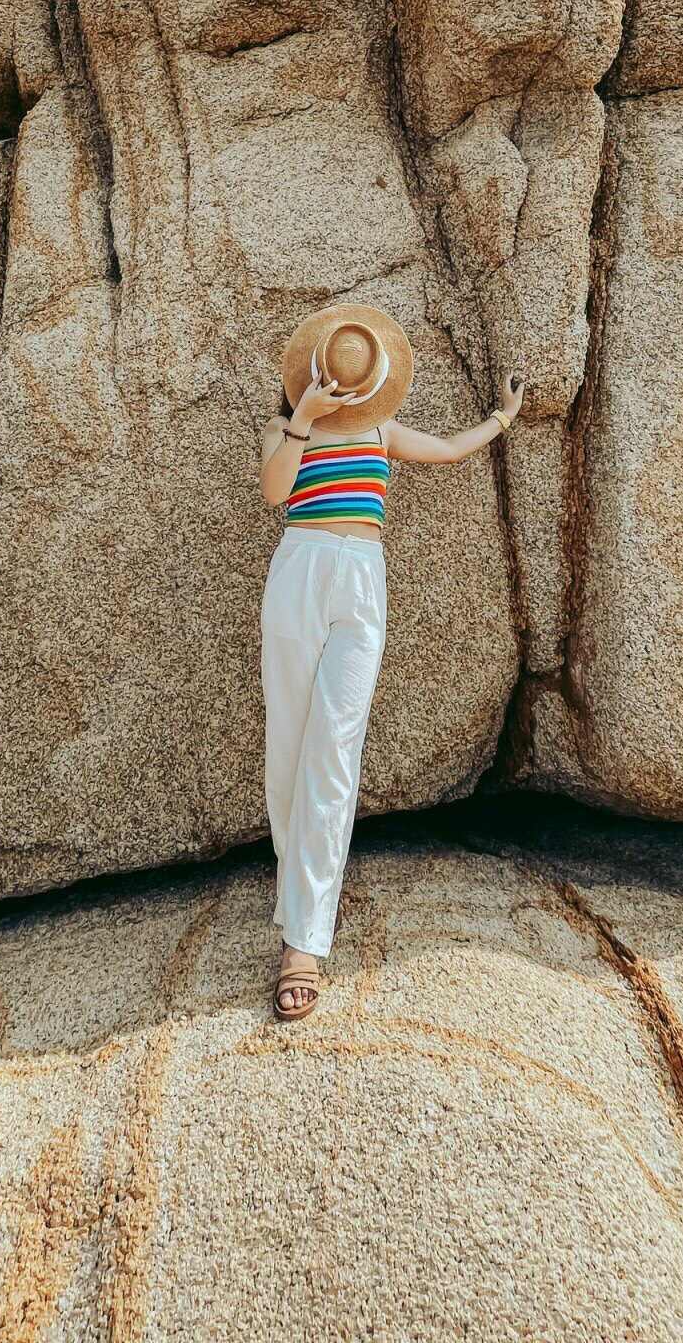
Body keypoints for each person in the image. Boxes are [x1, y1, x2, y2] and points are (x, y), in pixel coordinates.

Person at [257, 302, 524, 1021]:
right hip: (299, 572)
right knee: (287, 752)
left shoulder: (380, 429)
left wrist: (502, 418)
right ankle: (299, 888)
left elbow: (445, 450)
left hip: (361, 579)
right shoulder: (286, 429)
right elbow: (275, 491)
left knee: (335, 753)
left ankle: (304, 941)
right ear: (313, 371)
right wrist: (303, 418)